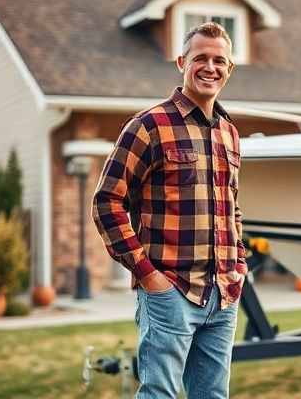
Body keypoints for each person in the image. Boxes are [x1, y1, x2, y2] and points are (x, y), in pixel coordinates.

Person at [91, 22, 247, 399]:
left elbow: (231, 207)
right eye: (200, 58)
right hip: (169, 293)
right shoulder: (148, 126)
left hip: (223, 295)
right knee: (159, 394)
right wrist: (148, 276)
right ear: (182, 62)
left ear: (229, 69)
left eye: (219, 60)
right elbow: (106, 202)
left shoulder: (229, 132)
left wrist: (238, 262)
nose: (210, 67)